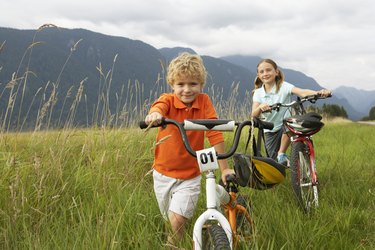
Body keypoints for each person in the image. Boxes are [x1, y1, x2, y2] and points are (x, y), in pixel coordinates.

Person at [144, 52, 235, 245]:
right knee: (170, 221)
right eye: (181, 84)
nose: (187, 90)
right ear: (172, 85)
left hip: (190, 175)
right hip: (162, 174)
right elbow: (157, 107)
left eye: (193, 84)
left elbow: (214, 131)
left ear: (201, 85)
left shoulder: (204, 101)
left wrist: (225, 168)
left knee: (176, 222)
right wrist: (155, 114)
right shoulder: (167, 100)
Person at [251, 58, 332, 165]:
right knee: (274, 162)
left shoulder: (284, 86)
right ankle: (283, 160)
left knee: (289, 124)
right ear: (258, 75)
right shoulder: (258, 93)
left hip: (285, 124)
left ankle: (282, 153)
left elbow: (302, 92)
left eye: (268, 70)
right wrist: (260, 107)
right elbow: (253, 115)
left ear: (276, 72)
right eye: (262, 72)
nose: (265, 74)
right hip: (269, 129)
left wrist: (318, 93)